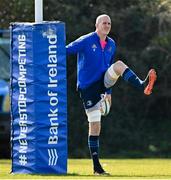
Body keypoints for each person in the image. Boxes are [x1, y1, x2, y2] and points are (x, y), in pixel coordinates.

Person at [66, 14, 157, 175]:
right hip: (87, 87)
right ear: (97, 25)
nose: (107, 25)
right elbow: (65, 50)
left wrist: (108, 92)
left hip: (103, 82)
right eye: (104, 23)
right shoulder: (86, 40)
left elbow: (108, 66)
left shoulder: (111, 44)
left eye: (109, 23)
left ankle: (142, 85)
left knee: (119, 65)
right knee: (95, 125)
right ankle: (97, 168)